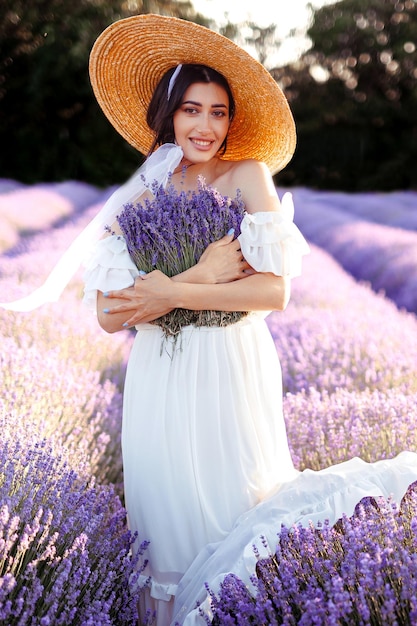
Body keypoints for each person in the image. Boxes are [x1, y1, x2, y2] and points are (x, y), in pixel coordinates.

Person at [2, 13, 417, 626]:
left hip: (230, 363)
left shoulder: (247, 175)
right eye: (192, 110)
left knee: (236, 504)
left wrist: (166, 291)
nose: (206, 125)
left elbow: (273, 294)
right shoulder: (143, 194)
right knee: (167, 521)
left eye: (218, 112)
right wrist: (203, 277)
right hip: (160, 377)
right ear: (169, 115)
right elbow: (110, 316)